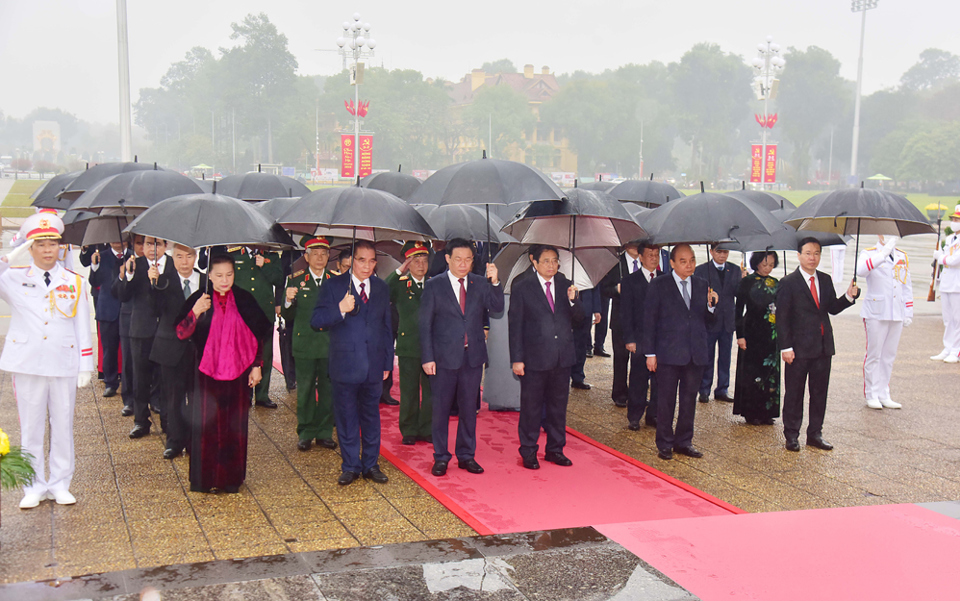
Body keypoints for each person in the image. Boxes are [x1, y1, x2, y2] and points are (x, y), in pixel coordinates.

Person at [1, 213, 93, 508]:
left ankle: (60, 483)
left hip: (63, 361)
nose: (47, 250)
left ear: (60, 247)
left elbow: (82, 324)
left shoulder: (74, 282)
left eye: (52, 243)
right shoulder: (14, 278)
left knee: (63, 424)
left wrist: (86, 365)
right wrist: (9, 255)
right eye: (40, 244)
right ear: (30, 248)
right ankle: (33, 486)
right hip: (27, 362)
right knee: (30, 426)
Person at [176, 254, 270, 493]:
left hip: (238, 374)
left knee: (234, 426)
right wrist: (195, 313)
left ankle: (230, 479)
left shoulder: (244, 299)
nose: (225, 280)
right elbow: (180, 332)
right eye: (218, 275)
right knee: (205, 427)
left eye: (229, 274)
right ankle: (203, 479)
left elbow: (260, 332)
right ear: (209, 276)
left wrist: (257, 365)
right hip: (206, 373)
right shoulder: (200, 298)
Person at [312, 241, 394, 485]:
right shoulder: (334, 285)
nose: (366, 266)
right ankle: (350, 466)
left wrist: (388, 362)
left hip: (374, 364)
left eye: (371, 261)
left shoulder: (381, 288)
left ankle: (371, 464)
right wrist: (340, 309)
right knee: (347, 418)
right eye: (361, 260)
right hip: (345, 364)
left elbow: (387, 327)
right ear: (351, 260)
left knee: (371, 417)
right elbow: (316, 320)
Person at [420, 238, 503, 477]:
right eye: (458, 259)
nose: (463, 264)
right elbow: (425, 324)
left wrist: (495, 281)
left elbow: (497, 307)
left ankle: (466, 455)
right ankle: (441, 456)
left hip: (472, 357)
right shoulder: (434, 285)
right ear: (447, 259)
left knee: (469, 409)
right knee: (441, 410)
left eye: (468, 259)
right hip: (443, 358)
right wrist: (427, 357)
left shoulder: (479, 282)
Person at [777, 237, 858, 452]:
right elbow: (782, 318)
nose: (812, 258)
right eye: (808, 253)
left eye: (816, 253)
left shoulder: (825, 279)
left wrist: (848, 297)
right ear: (799, 255)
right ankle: (791, 435)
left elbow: (831, 308)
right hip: (798, 348)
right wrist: (785, 347)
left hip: (823, 347)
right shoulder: (788, 283)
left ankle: (815, 433)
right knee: (794, 393)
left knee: (819, 392)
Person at [509, 245, 583, 469]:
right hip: (534, 358)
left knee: (558, 407)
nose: (552, 265)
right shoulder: (522, 287)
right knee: (531, 407)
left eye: (555, 261)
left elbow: (580, 320)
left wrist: (573, 301)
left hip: (562, 357)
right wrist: (517, 358)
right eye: (547, 261)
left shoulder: (565, 284)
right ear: (535, 262)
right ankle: (529, 450)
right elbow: (515, 326)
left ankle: (555, 449)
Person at [644, 244, 718, 461]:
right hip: (668, 352)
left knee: (689, 400)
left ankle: (684, 441)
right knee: (666, 400)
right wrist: (650, 353)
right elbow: (649, 321)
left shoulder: (702, 284)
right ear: (672, 263)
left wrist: (712, 306)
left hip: (695, 353)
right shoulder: (659, 285)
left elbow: (708, 321)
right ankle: (664, 443)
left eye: (692, 260)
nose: (689, 265)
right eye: (683, 261)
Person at [281, 236, 337, 452]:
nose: (320, 257)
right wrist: (287, 300)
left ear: (329, 255)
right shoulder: (295, 280)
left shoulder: (336, 280)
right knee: (304, 390)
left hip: (328, 345)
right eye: (315, 253)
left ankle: (324, 433)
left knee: (327, 390)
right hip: (305, 344)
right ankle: (305, 432)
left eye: (324, 253)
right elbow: (287, 315)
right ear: (306, 257)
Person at [113, 237, 168, 438]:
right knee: (140, 378)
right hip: (140, 330)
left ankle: (167, 422)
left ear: (165, 246)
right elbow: (122, 295)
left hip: (164, 331)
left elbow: (171, 298)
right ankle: (140, 421)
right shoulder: (135, 265)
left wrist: (159, 280)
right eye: (147, 244)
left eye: (157, 244)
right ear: (141, 247)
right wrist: (127, 274)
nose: (152, 249)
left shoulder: (171, 265)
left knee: (164, 378)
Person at [151, 244, 200, 459]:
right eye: (179, 256)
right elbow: (154, 309)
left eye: (188, 256)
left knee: (198, 396)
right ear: (172, 258)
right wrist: (152, 283)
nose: (184, 261)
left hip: (198, 349)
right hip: (170, 347)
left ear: (195, 257)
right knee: (173, 397)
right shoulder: (164, 281)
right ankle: (174, 441)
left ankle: (196, 440)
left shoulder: (206, 280)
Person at [386, 241, 433, 445]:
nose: (421, 265)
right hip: (409, 345)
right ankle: (409, 430)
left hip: (431, 347)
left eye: (424, 261)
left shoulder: (434, 284)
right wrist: (399, 271)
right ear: (408, 264)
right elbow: (383, 291)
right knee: (409, 390)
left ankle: (427, 428)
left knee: (431, 391)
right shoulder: (401, 284)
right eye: (415, 261)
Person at [857, 236, 912, 409]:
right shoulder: (869, 253)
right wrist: (884, 252)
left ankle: (883, 392)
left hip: (896, 310)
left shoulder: (902, 255)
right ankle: (871, 394)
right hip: (876, 311)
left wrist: (908, 310)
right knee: (874, 354)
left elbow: (906, 285)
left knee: (888, 356)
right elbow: (861, 271)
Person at [226, 246, 284, 408]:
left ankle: (262, 395)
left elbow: (279, 280)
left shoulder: (271, 256)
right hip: (242, 313)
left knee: (265, 355)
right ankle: (244, 394)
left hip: (264, 313)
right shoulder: (233, 254)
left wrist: (264, 266)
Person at [733, 251, 781, 425]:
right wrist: (740, 335)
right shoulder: (746, 282)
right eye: (764, 264)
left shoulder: (777, 283)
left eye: (771, 264)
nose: (767, 268)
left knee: (770, 372)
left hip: (771, 332)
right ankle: (751, 411)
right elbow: (738, 310)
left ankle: (768, 411)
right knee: (752, 371)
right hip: (752, 330)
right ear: (756, 262)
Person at [620, 241, 662, 431]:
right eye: (650, 255)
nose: (654, 258)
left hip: (661, 339)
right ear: (642, 257)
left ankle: (654, 415)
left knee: (660, 381)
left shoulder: (665, 278)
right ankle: (634, 416)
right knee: (638, 379)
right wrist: (629, 338)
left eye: (657, 254)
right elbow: (625, 312)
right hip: (639, 337)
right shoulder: (630, 280)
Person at [694, 245, 741, 404]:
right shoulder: (702, 270)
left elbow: (738, 294)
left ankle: (722, 389)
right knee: (707, 356)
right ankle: (704, 389)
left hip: (728, 320)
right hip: (709, 319)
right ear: (711, 252)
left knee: (725, 356)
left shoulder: (734, 270)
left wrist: (745, 280)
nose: (722, 255)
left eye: (725, 252)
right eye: (719, 251)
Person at [600, 240, 644, 408]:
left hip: (640, 319)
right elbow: (604, 288)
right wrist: (616, 290)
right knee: (621, 358)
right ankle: (619, 393)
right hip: (620, 318)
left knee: (639, 360)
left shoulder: (645, 262)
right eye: (631, 243)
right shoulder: (615, 263)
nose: (634, 246)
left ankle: (636, 394)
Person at [88, 241, 125, 398]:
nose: (117, 241)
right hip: (107, 309)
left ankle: (130, 383)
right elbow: (94, 282)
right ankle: (110, 383)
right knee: (109, 349)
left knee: (129, 351)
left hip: (128, 309)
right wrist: (94, 266)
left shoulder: (133, 256)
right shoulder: (101, 257)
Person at [932, 206, 960, 363]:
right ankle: (948, 348)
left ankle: (956, 350)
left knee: (958, 319)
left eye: (957, 220)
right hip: (947, 282)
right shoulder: (950, 239)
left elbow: (954, 261)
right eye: (953, 219)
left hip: (958, 284)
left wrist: (940, 257)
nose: (954, 222)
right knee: (948, 318)